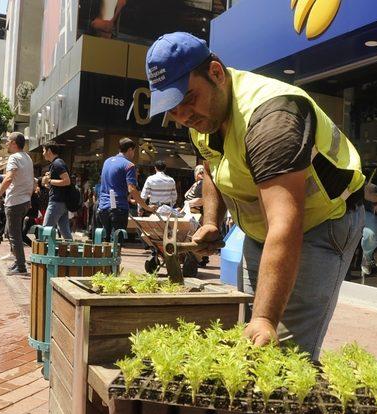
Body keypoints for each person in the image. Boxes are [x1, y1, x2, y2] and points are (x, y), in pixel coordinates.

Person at [146, 32, 365, 359]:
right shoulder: (202, 117)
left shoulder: (272, 119)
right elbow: (212, 167)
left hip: (321, 223)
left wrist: (266, 318)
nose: (183, 116)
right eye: (172, 108)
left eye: (188, 99)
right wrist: (211, 221)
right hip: (261, 230)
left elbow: (286, 224)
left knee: (285, 350)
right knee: (249, 333)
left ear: (216, 73)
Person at [0, 132, 34, 276]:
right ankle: (18, 261)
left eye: (8, 141)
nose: (6, 144)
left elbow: (9, 178)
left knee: (14, 235)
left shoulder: (13, 158)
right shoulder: (27, 157)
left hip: (15, 202)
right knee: (11, 232)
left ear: (15, 143)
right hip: (24, 201)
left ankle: (21, 266)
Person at [97, 137, 155, 242]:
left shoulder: (107, 161)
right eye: (134, 151)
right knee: (116, 244)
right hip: (118, 208)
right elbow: (132, 189)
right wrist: (146, 207)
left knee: (105, 243)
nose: (134, 154)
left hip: (103, 207)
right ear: (130, 150)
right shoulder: (129, 165)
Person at [41, 141, 73, 240]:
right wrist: (48, 183)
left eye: (43, 150)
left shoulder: (57, 163)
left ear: (49, 150)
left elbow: (67, 181)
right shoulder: (56, 163)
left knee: (45, 231)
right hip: (61, 202)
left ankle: (44, 254)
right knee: (65, 231)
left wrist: (49, 180)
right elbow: (58, 184)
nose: (43, 153)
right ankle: (71, 252)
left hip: (56, 203)